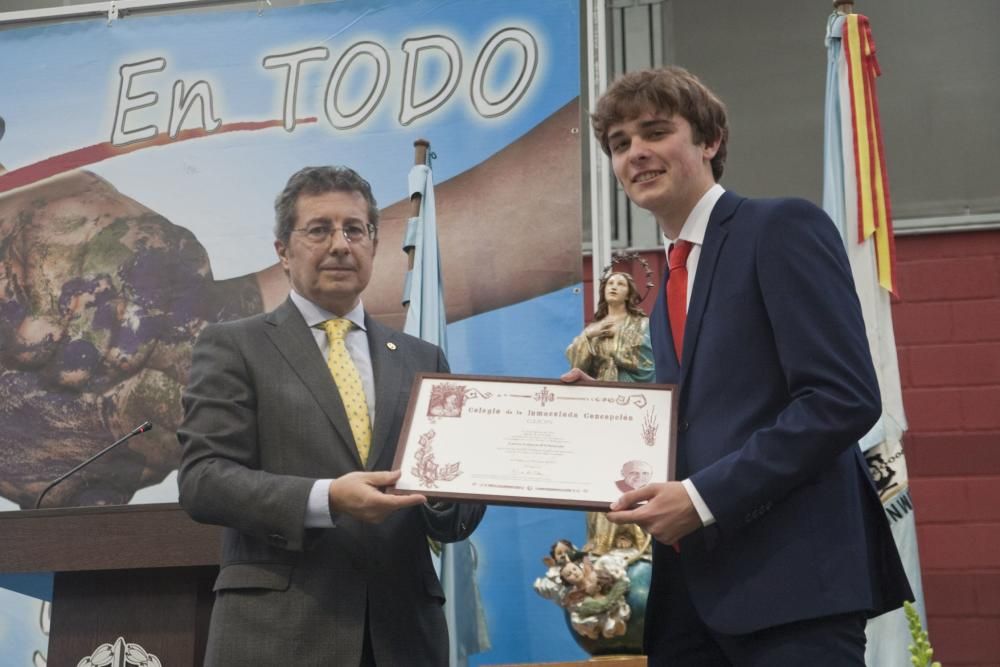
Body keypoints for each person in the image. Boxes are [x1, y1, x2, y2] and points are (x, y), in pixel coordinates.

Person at [566, 66, 911, 665]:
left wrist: (700, 499)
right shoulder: (672, 274)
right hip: (690, 602)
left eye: (654, 132)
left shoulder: (777, 228)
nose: (636, 153)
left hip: (792, 592)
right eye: (620, 144)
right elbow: (710, 411)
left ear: (709, 140)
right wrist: (610, 409)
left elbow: (843, 397)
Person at [176, 166, 485, 666]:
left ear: (374, 244)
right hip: (277, 636)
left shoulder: (421, 358)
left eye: (354, 229)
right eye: (319, 229)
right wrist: (327, 499)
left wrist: (476, 471)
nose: (340, 244)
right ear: (282, 249)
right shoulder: (235, 345)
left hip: (403, 637)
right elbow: (204, 480)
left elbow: (455, 515)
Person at [565, 271, 654, 383]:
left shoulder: (642, 323)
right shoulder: (593, 328)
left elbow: (649, 362)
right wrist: (587, 336)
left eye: (620, 284)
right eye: (610, 283)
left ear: (628, 295)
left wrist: (620, 333)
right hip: (598, 389)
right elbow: (577, 365)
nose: (614, 287)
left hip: (628, 387)